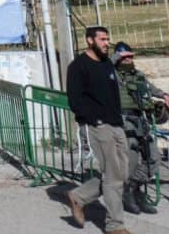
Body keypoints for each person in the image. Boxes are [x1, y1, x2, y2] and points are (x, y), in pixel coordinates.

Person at [65, 26, 131, 234]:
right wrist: (94, 120)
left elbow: (114, 94)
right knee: (112, 175)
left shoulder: (107, 65)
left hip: (116, 124)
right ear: (89, 41)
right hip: (99, 126)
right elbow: (74, 99)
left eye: (108, 39)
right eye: (102, 39)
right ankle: (115, 225)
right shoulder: (78, 66)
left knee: (122, 173)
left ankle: (79, 196)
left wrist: (118, 120)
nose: (106, 43)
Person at [112, 41, 169, 215]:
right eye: (124, 57)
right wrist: (116, 57)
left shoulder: (137, 74)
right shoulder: (111, 75)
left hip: (140, 121)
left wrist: (165, 95)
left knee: (154, 157)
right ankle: (132, 195)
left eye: (130, 56)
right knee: (131, 161)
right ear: (117, 57)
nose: (128, 60)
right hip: (123, 122)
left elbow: (151, 88)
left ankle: (132, 189)